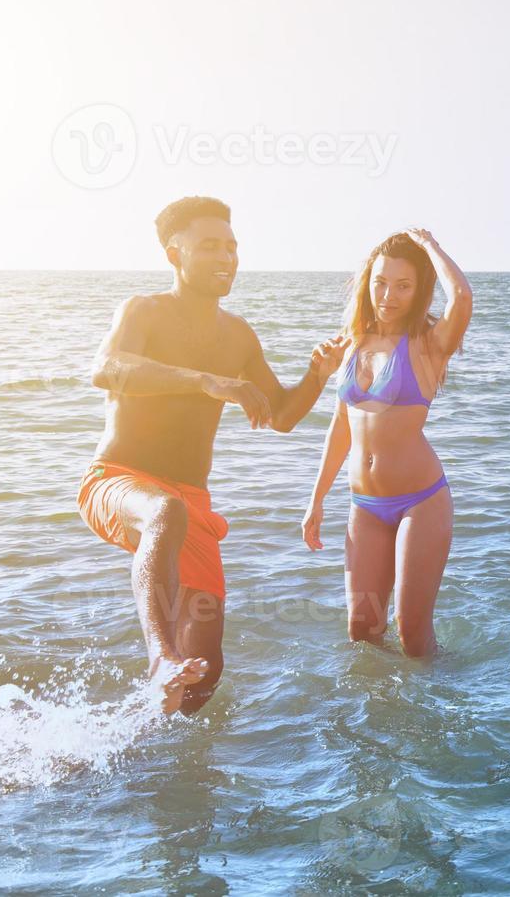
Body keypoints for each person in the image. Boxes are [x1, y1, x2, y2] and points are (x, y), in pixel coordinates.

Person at [79, 196, 348, 714]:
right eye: (209, 246)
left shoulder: (238, 335)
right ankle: (159, 656)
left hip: (189, 502)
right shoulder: (143, 311)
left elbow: (282, 415)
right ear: (174, 254)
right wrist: (206, 382)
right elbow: (106, 368)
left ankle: (142, 748)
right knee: (164, 512)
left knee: (204, 673)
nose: (225, 257)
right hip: (117, 481)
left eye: (231, 246)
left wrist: (318, 375)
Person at [301, 229, 472, 660]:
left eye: (403, 285)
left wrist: (432, 246)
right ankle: (377, 719)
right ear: (367, 283)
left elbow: (463, 299)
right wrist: (316, 498)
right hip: (365, 505)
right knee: (362, 629)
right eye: (380, 282)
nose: (388, 295)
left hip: (422, 502)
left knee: (412, 634)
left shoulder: (429, 345)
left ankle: (434, 706)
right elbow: (342, 425)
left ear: (419, 291)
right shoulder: (352, 341)